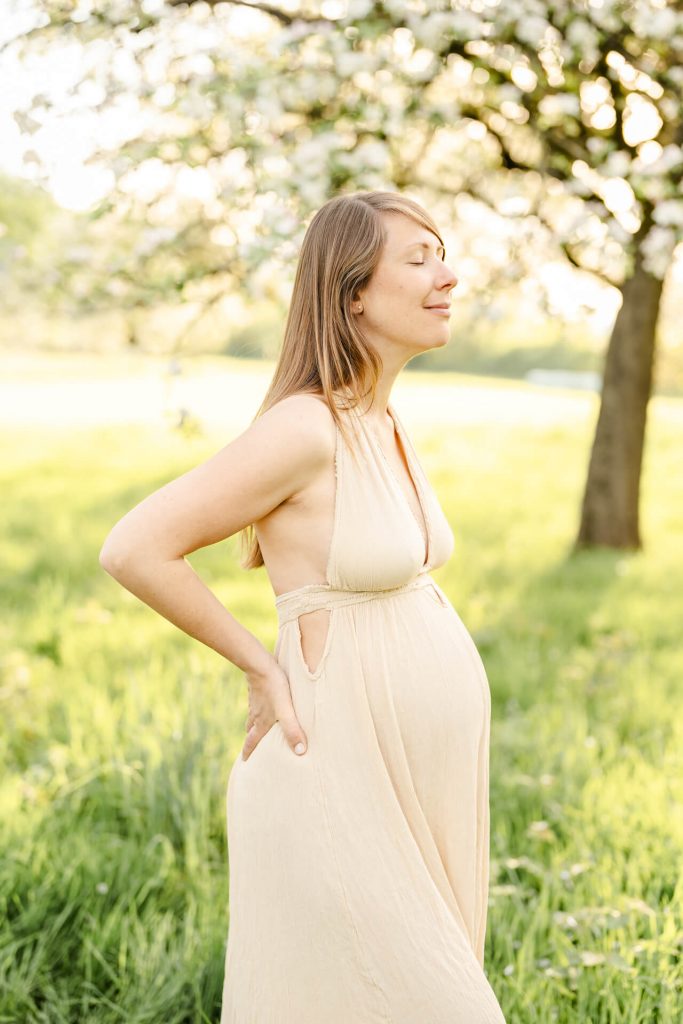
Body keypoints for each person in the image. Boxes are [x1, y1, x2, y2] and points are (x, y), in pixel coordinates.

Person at [99, 190, 507, 1023]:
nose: (449, 277)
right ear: (353, 290)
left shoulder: (383, 419)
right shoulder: (305, 428)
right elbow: (134, 547)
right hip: (335, 772)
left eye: (444, 256)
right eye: (420, 259)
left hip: (411, 781)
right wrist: (258, 665)